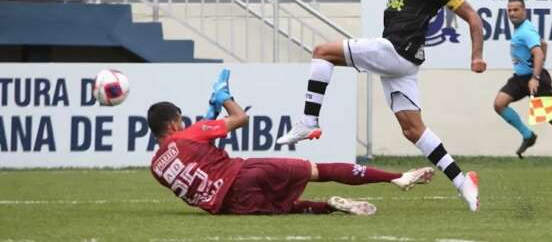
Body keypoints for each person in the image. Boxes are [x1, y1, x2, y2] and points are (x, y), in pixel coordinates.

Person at [276, 0, 486, 212]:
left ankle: (309, 123)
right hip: (403, 66)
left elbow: (473, 17)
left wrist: (476, 56)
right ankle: (463, 181)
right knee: (413, 131)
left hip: (395, 51)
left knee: (322, 52)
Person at [147, 69, 434, 216]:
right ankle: (397, 178)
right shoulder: (188, 134)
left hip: (230, 206)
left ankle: (329, 208)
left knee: (287, 207)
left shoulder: (156, 168)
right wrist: (224, 97)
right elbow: (239, 119)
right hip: (244, 173)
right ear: (173, 124)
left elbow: (199, 161)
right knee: (317, 170)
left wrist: (206, 121)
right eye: (180, 121)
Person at [493, 0, 552, 168]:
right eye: (509, 10)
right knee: (499, 104)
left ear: (524, 10)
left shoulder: (525, 31)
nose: (512, 13)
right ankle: (528, 135)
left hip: (535, 79)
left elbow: (538, 52)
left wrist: (535, 77)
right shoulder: (523, 29)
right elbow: (544, 45)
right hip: (521, 78)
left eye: (516, 9)